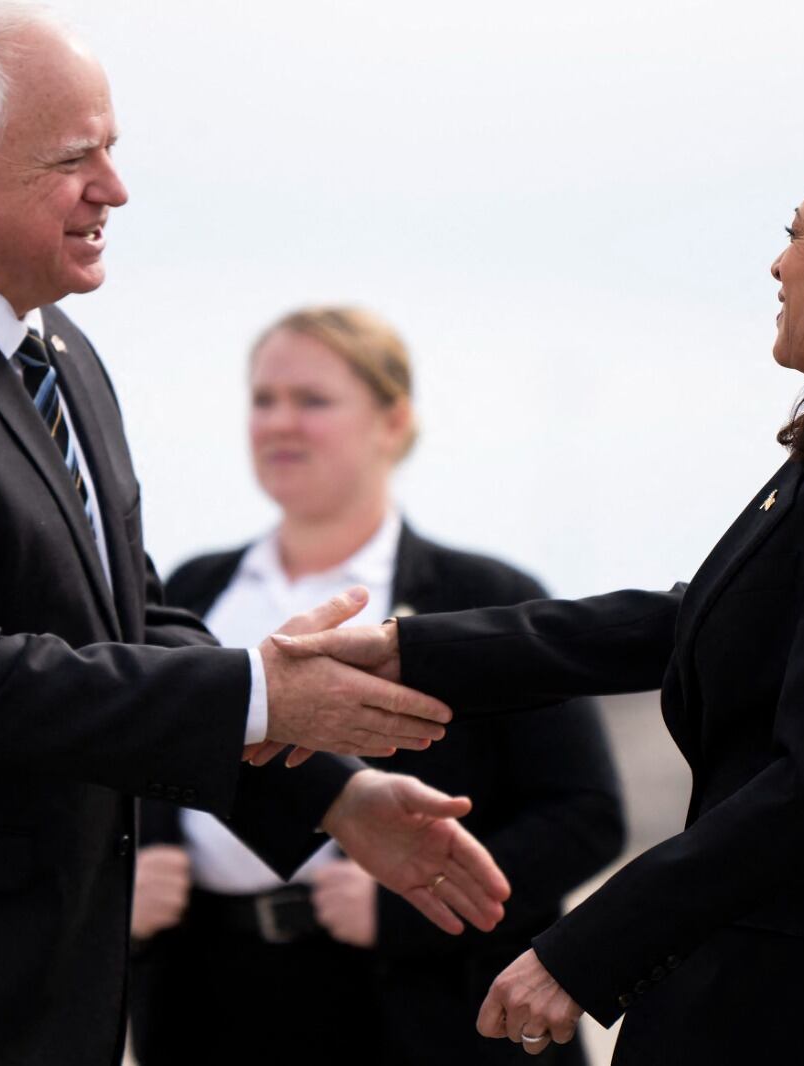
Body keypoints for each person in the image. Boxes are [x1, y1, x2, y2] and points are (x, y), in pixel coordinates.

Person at [0, 8, 510, 1065]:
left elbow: (129, 621)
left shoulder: (58, 352)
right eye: (74, 158)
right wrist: (260, 692)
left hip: (35, 996)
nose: (114, 188)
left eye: (111, 149)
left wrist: (331, 792)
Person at [283, 121, 804, 1065]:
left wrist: (583, 953)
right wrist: (409, 650)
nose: (778, 265)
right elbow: (691, 618)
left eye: (799, 235)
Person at [125, 307, 626, 1065]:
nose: (279, 421)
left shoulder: (484, 597)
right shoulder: (190, 592)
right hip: (207, 997)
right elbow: (132, 755)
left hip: (427, 1011)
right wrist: (125, 887)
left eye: (312, 399)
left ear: (392, 422)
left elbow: (586, 816)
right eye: (263, 399)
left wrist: (406, 911)